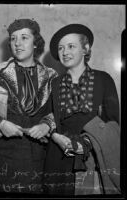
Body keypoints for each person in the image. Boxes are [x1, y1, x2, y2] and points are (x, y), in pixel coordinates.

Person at [0, 18, 58, 193]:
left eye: (24, 37)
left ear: (36, 43)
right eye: (13, 38)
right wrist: (0, 124)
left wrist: (46, 124)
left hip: (37, 158)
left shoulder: (51, 76)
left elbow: (59, 111)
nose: (17, 43)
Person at [43, 24, 120, 196]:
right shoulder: (54, 84)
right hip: (58, 155)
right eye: (61, 48)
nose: (65, 52)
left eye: (71, 46)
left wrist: (86, 144)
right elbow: (48, 118)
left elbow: (113, 122)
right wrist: (56, 137)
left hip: (92, 157)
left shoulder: (103, 79)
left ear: (85, 49)